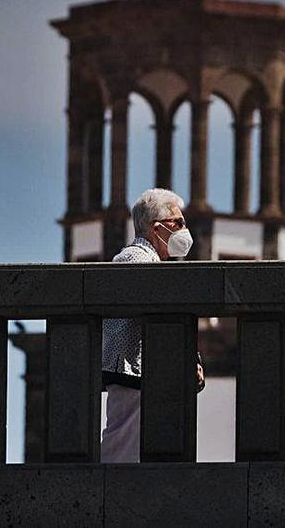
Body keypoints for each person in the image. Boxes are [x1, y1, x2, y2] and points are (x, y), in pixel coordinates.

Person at [101, 188, 205, 463]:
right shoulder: (136, 259)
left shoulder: (150, 261)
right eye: (178, 223)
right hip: (131, 370)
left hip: (139, 371)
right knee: (124, 448)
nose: (184, 230)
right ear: (156, 228)